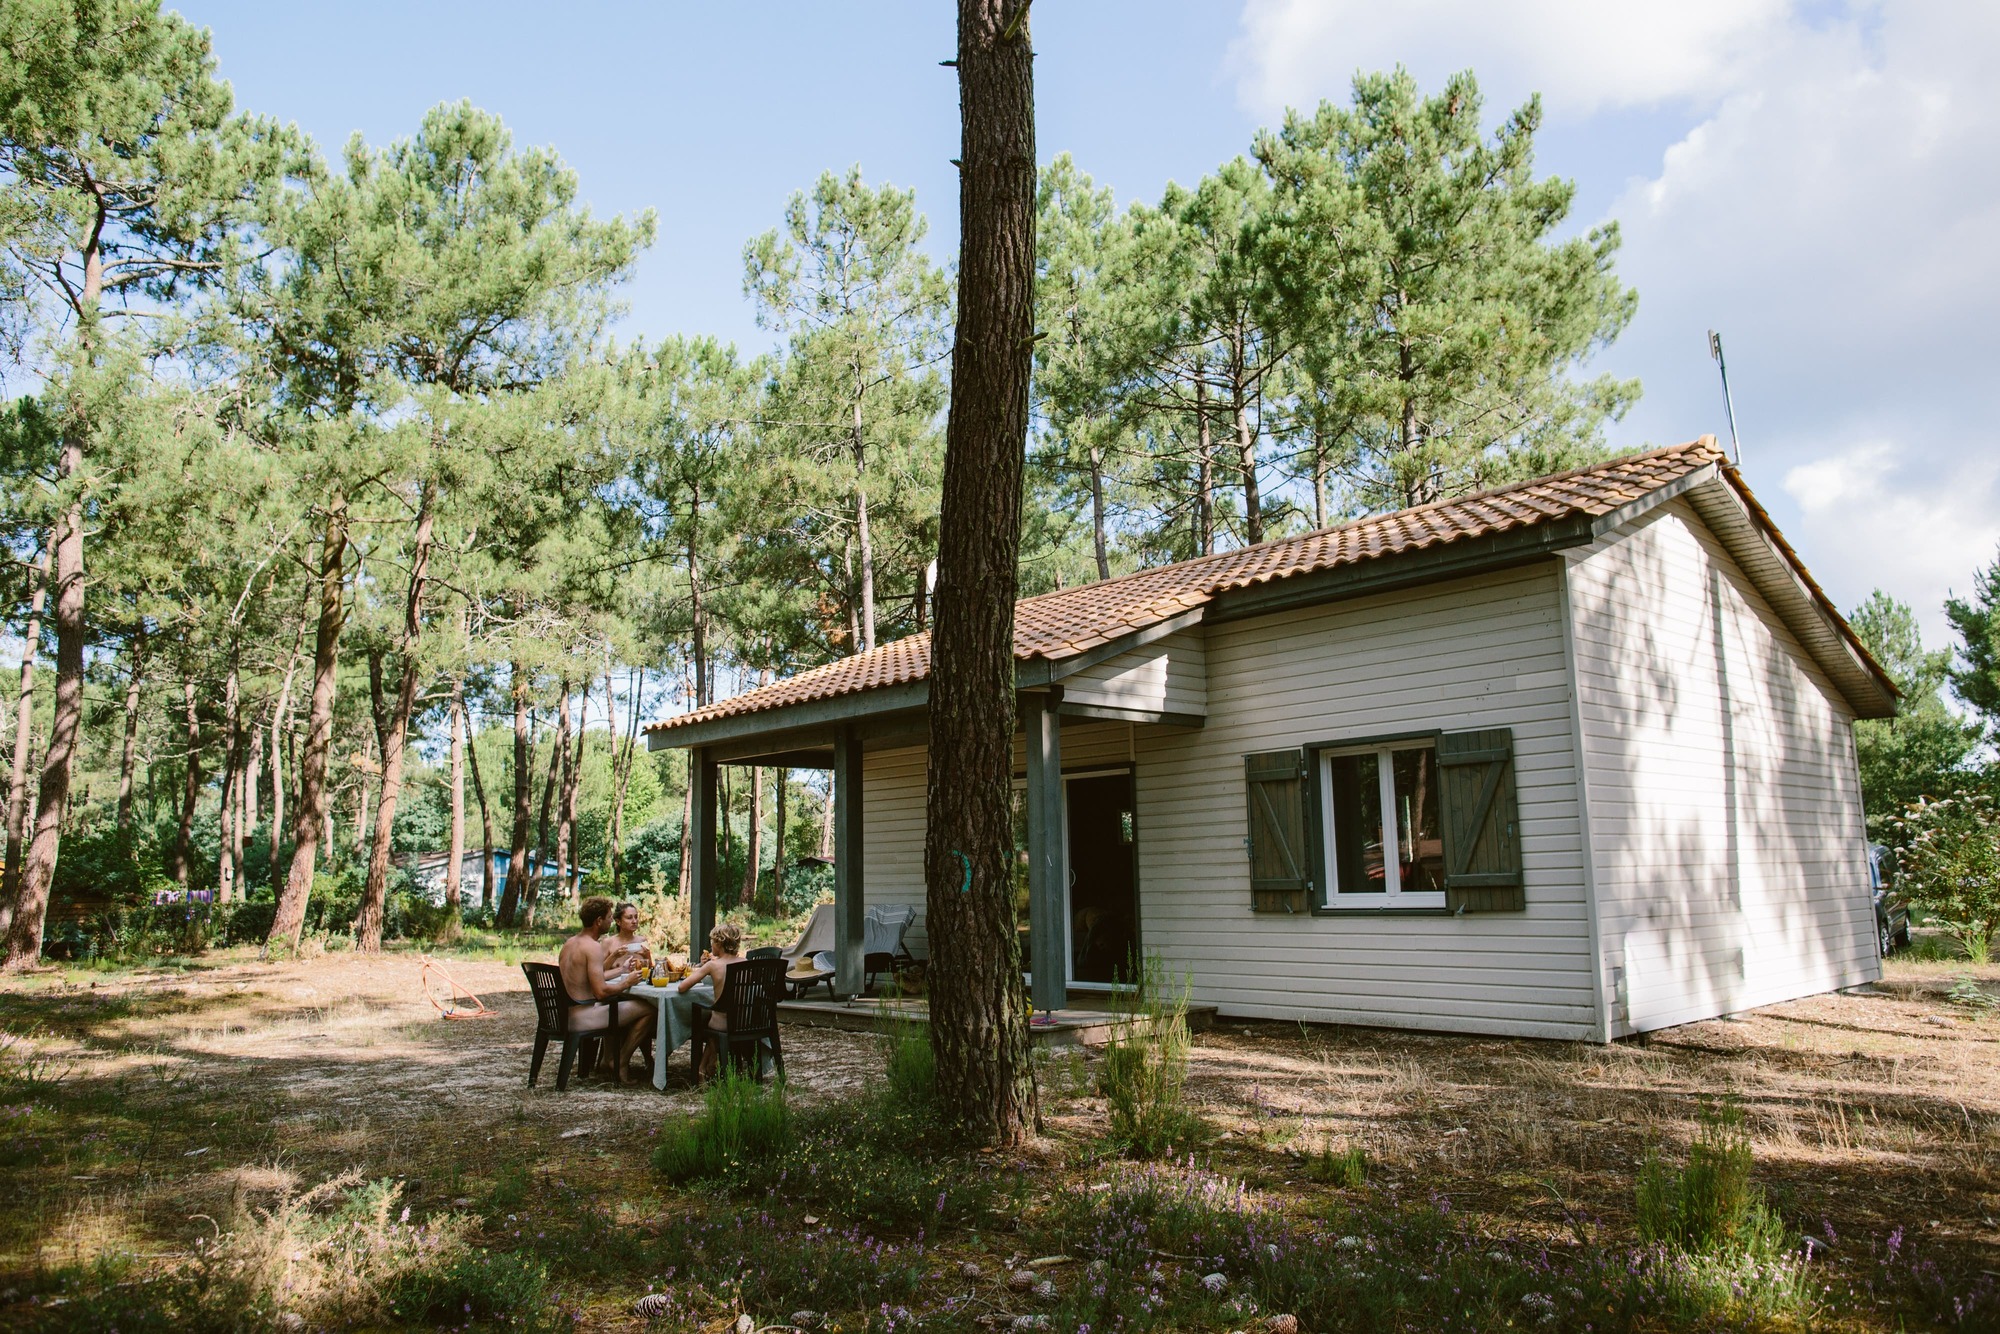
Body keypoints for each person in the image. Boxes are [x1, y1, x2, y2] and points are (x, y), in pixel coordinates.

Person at [557, 895, 654, 1085]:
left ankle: (608, 1059)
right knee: (650, 1008)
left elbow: (592, 977)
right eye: (610, 918)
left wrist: (622, 970)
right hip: (583, 1017)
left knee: (624, 1005)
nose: (612, 921)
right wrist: (627, 983)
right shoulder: (592, 947)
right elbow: (601, 992)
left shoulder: (570, 943)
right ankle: (619, 1061)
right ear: (598, 921)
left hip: (566, 1013)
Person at [677, 920, 746, 1080]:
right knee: (715, 1014)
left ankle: (701, 1069)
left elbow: (682, 987)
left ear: (719, 944)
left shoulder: (713, 966)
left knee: (706, 1018)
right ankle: (710, 1064)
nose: (710, 947)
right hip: (743, 1021)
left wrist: (704, 967)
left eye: (712, 943)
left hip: (721, 1023)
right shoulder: (744, 963)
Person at [600, 902, 653, 983]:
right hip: (615, 992)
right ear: (618, 922)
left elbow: (651, 972)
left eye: (636, 917)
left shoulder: (642, 941)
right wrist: (614, 955)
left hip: (639, 991)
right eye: (629, 918)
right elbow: (598, 973)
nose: (634, 921)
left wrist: (647, 955)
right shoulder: (608, 942)